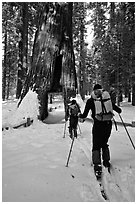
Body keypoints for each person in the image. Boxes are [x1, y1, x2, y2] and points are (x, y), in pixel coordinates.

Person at [79, 84, 122, 176]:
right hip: (108, 124)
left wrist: (80, 116)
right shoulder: (107, 99)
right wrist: (118, 110)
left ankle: (97, 165)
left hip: (98, 125)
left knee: (96, 144)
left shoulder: (91, 101)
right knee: (104, 142)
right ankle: (106, 161)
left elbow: (85, 114)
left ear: (94, 91)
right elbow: (117, 109)